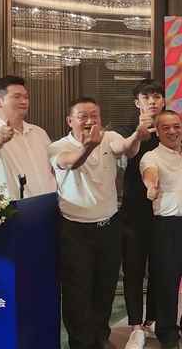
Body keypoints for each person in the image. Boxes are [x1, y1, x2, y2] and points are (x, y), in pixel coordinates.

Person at [49, 97, 146, 349]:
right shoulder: (57, 146)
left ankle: (101, 336)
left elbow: (125, 148)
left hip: (109, 226)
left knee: (106, 286)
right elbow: (70, 162)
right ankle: (81, 343)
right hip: (74, 229)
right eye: (83, 116)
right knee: (77, 290)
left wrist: (137, 135)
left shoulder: (109, 136)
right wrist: (88, 147)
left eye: (95, 115)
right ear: (70, 121)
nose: (90, 121)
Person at [140, 110, 182, 349]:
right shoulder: (151, 157)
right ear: (157, 132)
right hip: (168, 228)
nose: (172, 131)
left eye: (176, 126)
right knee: (167, 284)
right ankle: (167, 333)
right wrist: (151, 186)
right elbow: (150, 174)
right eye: (166, 127)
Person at [119, 79, 167, 349]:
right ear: (137, 102)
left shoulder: (170, 129)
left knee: (161, 268)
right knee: (134, 270)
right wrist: (138, 135)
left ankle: (153, 320)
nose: (152, 101)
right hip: (134, 212)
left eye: (157, 96)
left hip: (164, 211)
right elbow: (125, 155)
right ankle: (136, 325)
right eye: (146, 97)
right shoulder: (127, 131)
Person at [0, 75, 56, 199]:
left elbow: (54, 166)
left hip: (51, 202)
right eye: (17, 97)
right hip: (16, 207)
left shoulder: (39, 132)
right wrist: (1, 138)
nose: (24, 101)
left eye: (26, 97)